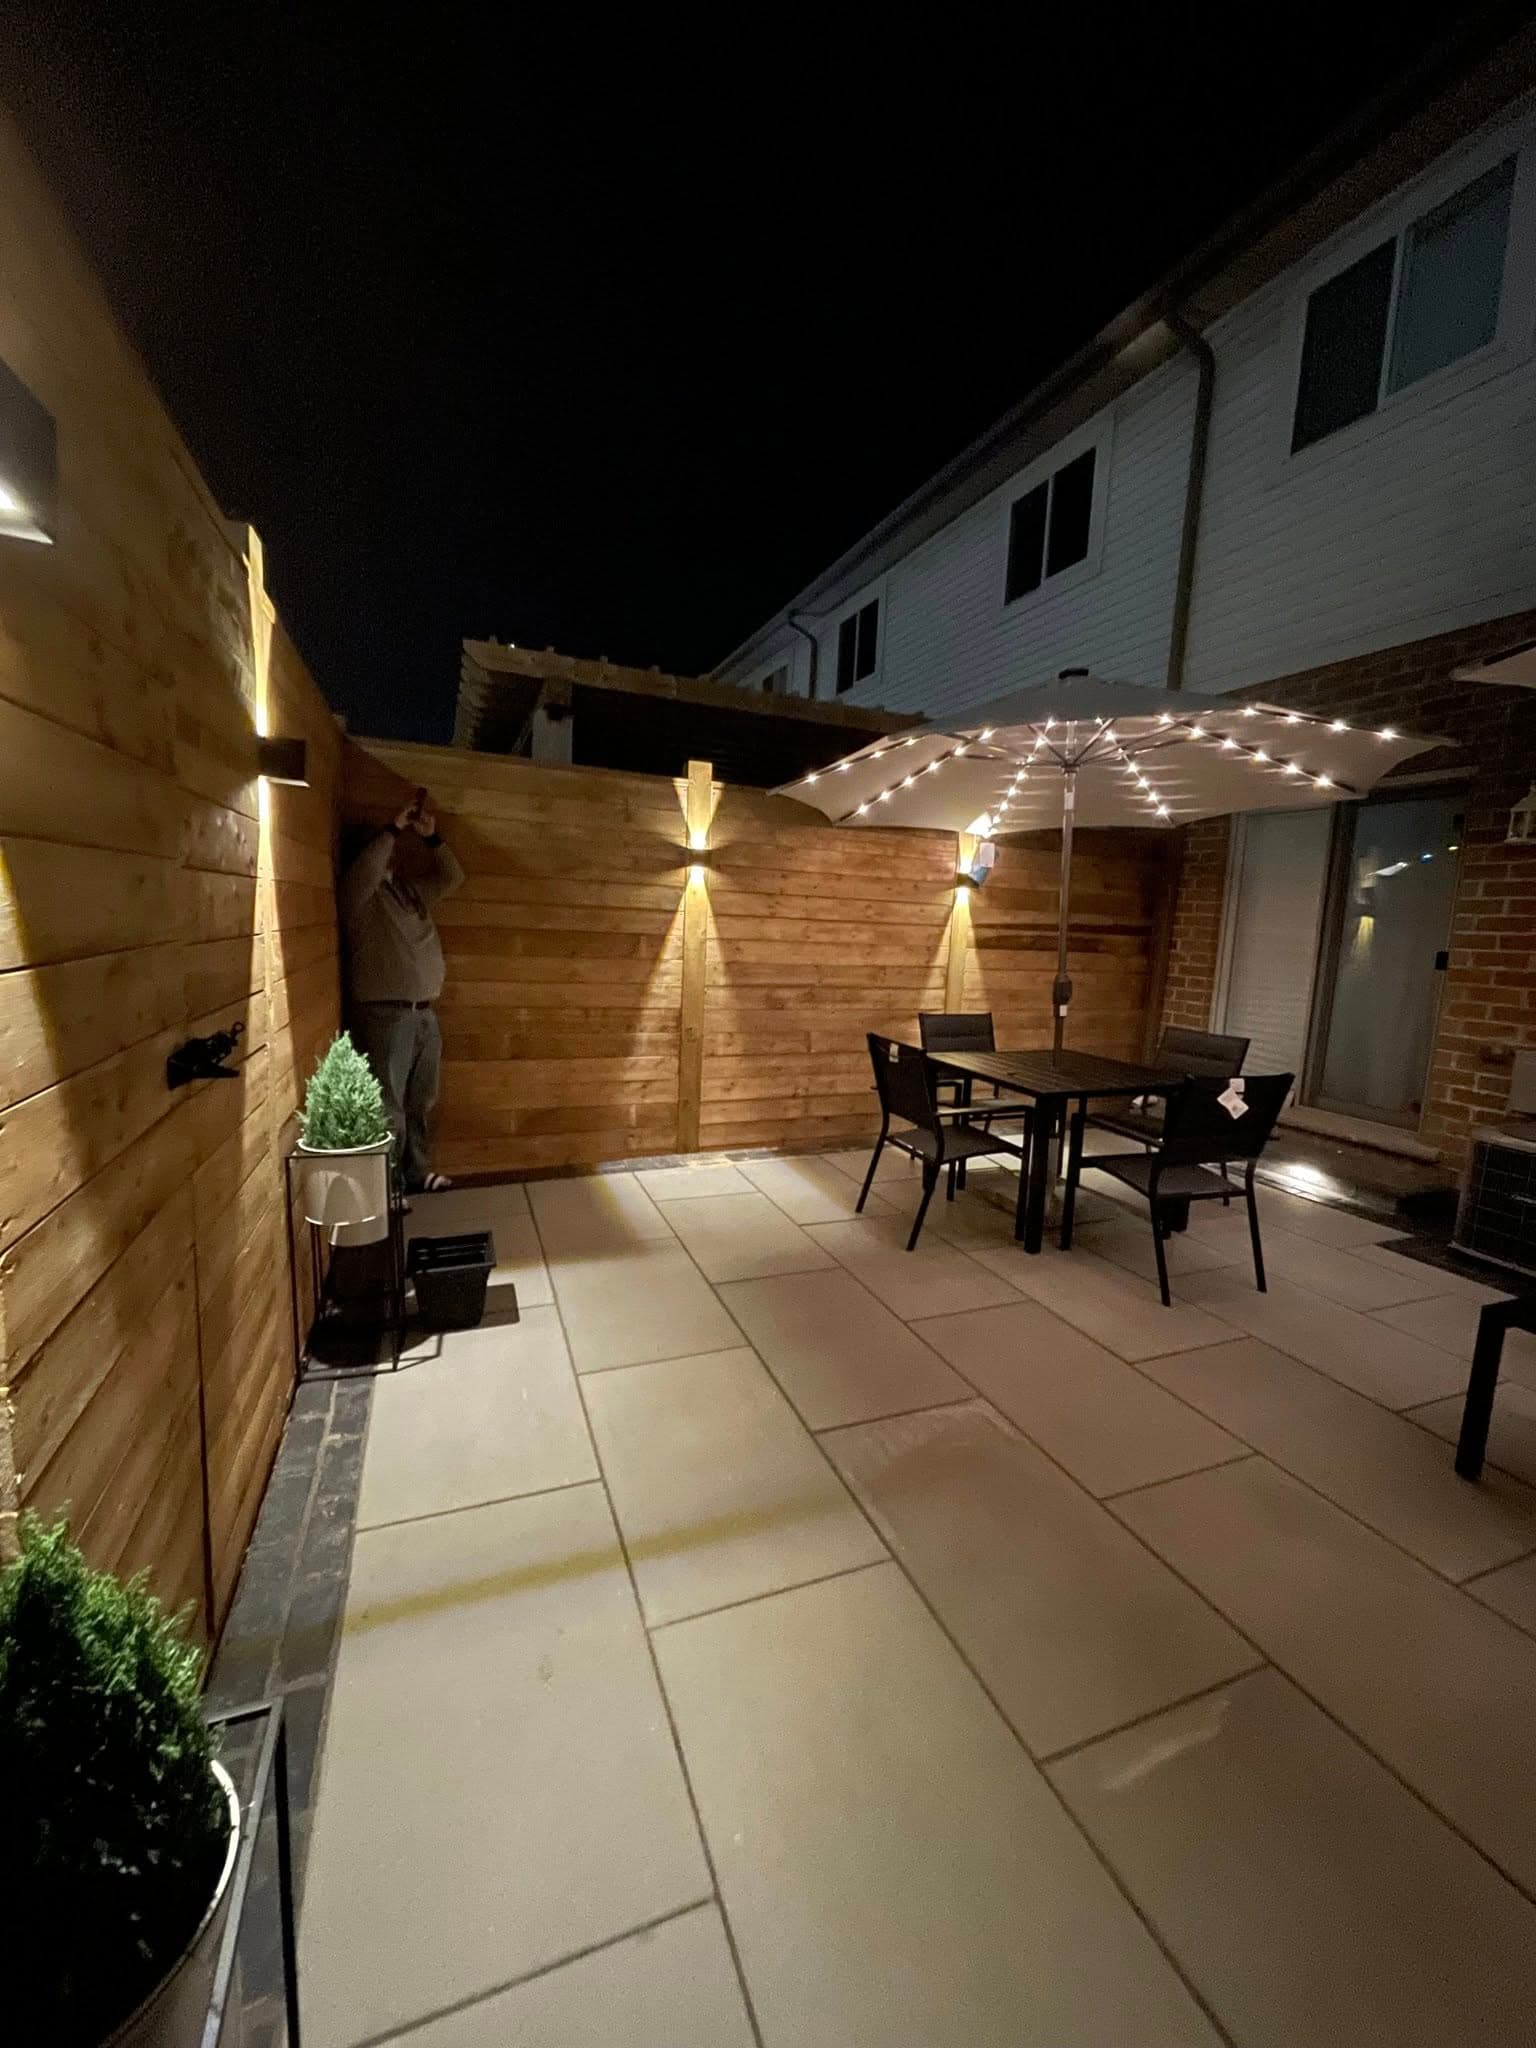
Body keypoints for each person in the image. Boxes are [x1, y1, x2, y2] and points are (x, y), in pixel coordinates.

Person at [340, 795, 464, 1193]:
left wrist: (432, 838)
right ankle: (388, 1187)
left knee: (420, 1101)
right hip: (385, 1013)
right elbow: (368, 868)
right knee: (388, 1103)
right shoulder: (359, 894)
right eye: (383, 848)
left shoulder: (407, 893)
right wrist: (392, 828)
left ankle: (416, 1172)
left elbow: (452, 878)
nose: (391, 853)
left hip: (424, 1012)